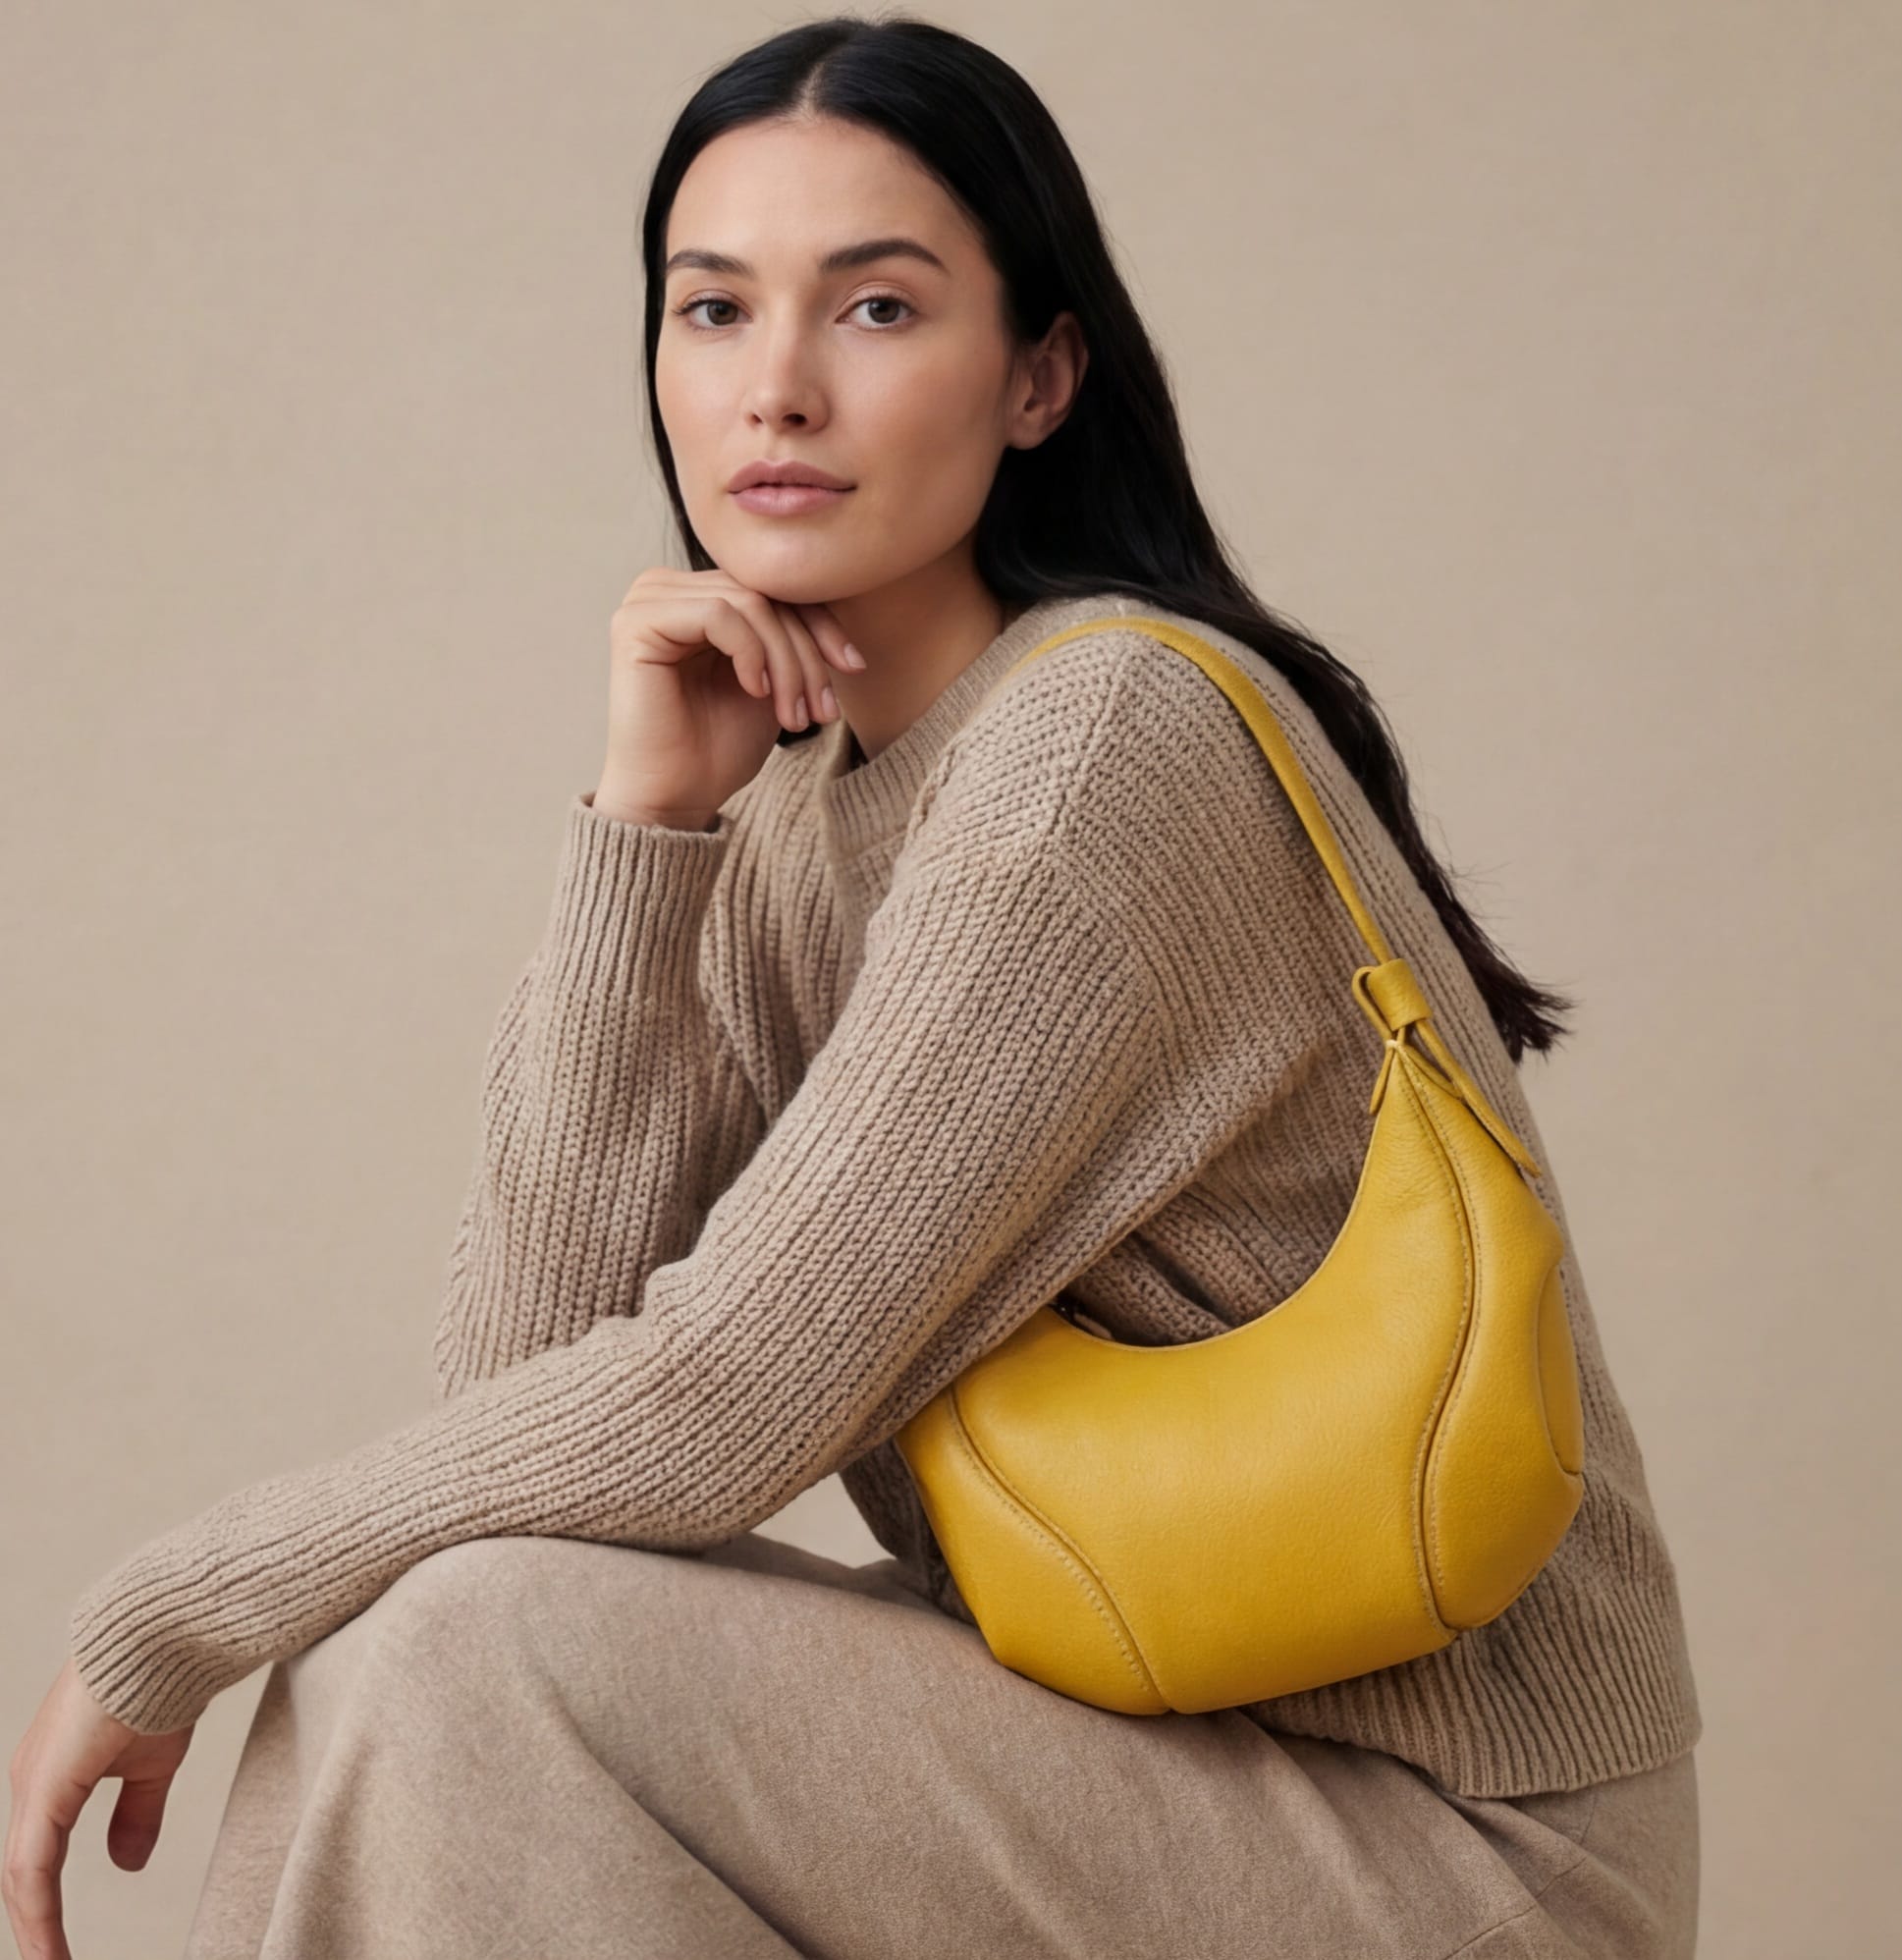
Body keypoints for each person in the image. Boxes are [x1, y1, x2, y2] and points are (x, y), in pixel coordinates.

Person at [5, 17, 1702, 1958]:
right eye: (712, 312)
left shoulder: (1096, 750)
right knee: (433, 1628)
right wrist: (647, 830)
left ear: (1041, 376)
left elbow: (720, 1400)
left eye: (878, 309)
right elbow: (513, 1405)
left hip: (1448, 1844)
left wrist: (175, 1606)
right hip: (1132, 1750)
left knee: (475, 1646)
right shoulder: (805, 794)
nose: (777, 391)